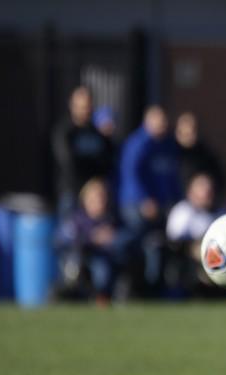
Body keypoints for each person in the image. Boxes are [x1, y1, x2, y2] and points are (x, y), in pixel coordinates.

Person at [118, 105, 181, 295]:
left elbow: (173, 176)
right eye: (157, 121)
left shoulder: (168, 145)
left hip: (163, 207)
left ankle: (159, 288)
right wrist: (145, 200)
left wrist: (178, 202)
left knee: (163, 245)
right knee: (137, 244)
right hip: (137, 207)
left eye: (164, 121)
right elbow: (131, 174)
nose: (162, 125)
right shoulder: (139, 143)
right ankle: (132, 287)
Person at [54, 177, 123, 305]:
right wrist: (91, 238)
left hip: (103, 260)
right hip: (79, 260)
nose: (99, 202)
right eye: (94, 199)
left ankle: (101, 297)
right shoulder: (77, 220)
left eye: (102, 198)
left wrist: (112, 239)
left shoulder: (110, 220)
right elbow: (61, 240)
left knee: (104, 269)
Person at [52, 86, 116, 218]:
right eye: (81, 106)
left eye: (88, 106)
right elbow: (67, 162)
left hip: (96, 196)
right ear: (72, 105)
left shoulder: (97, 132)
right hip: (72, 192)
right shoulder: (65, 131)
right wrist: (86, 187)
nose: (85, 110)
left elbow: (107, 160)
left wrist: (108, 138)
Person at [164, 172, 223, 297]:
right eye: (202, 189)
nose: (207, 193)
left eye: (210, 189)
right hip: (188, 260)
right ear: (191, 192)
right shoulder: (183, 212)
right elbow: (174, 242)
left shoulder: (222, 212)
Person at [175, 111, 226, 198]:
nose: (190, 135)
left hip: (202, 206)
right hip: (173, 204)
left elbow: (221, 178)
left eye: (193, 130)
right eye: (185, 133)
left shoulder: (204, 153)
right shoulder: (170, 152)